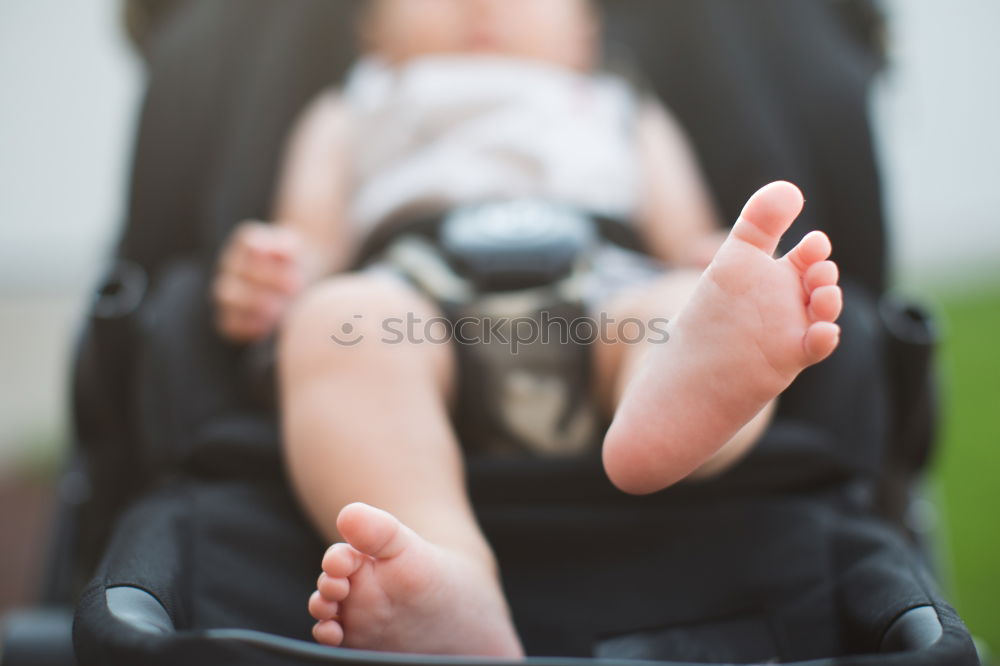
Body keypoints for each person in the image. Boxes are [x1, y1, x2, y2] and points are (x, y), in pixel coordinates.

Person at [211, 0, 843, 657]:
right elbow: (311, 238)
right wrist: (278, 273)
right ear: (371, 27)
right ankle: (442, 569)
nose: (481, 6)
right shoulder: (353, 107)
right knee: (335, 323)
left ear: (585, 31)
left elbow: (688, 240)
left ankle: (673, 397)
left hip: (607, 283)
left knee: (682, 307)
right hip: (410, 291)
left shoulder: (622, 108)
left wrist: (716, 265)